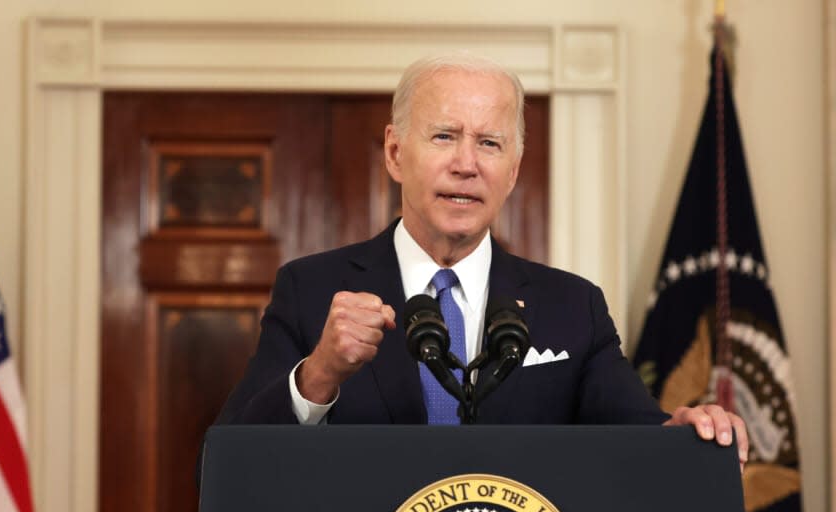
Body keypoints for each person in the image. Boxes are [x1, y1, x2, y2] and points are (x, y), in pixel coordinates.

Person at [215, 53, 748, 465]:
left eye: (490, 144)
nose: (466, 165)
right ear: (396, 152)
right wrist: (318, 376)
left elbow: (637, 433)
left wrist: (683, 438)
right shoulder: (311, 290)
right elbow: (226, 465)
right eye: (444, 136)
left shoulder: (572, 306)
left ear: (513, 171)